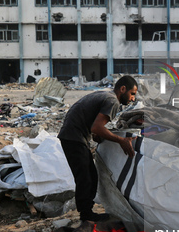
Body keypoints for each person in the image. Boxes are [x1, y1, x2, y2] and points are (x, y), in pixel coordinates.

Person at [58, 75, 138, 221]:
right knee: (85, 177)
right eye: (132, 94)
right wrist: (121, 140)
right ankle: (86, 215)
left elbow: (93, 124)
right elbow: (97, 126)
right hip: (74, 137)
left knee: (90, 175)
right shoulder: (113, 101)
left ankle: (86, 211)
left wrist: (96, 133)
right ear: (122, 89)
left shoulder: (105, 94)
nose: (133, 99)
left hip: (73, 135)